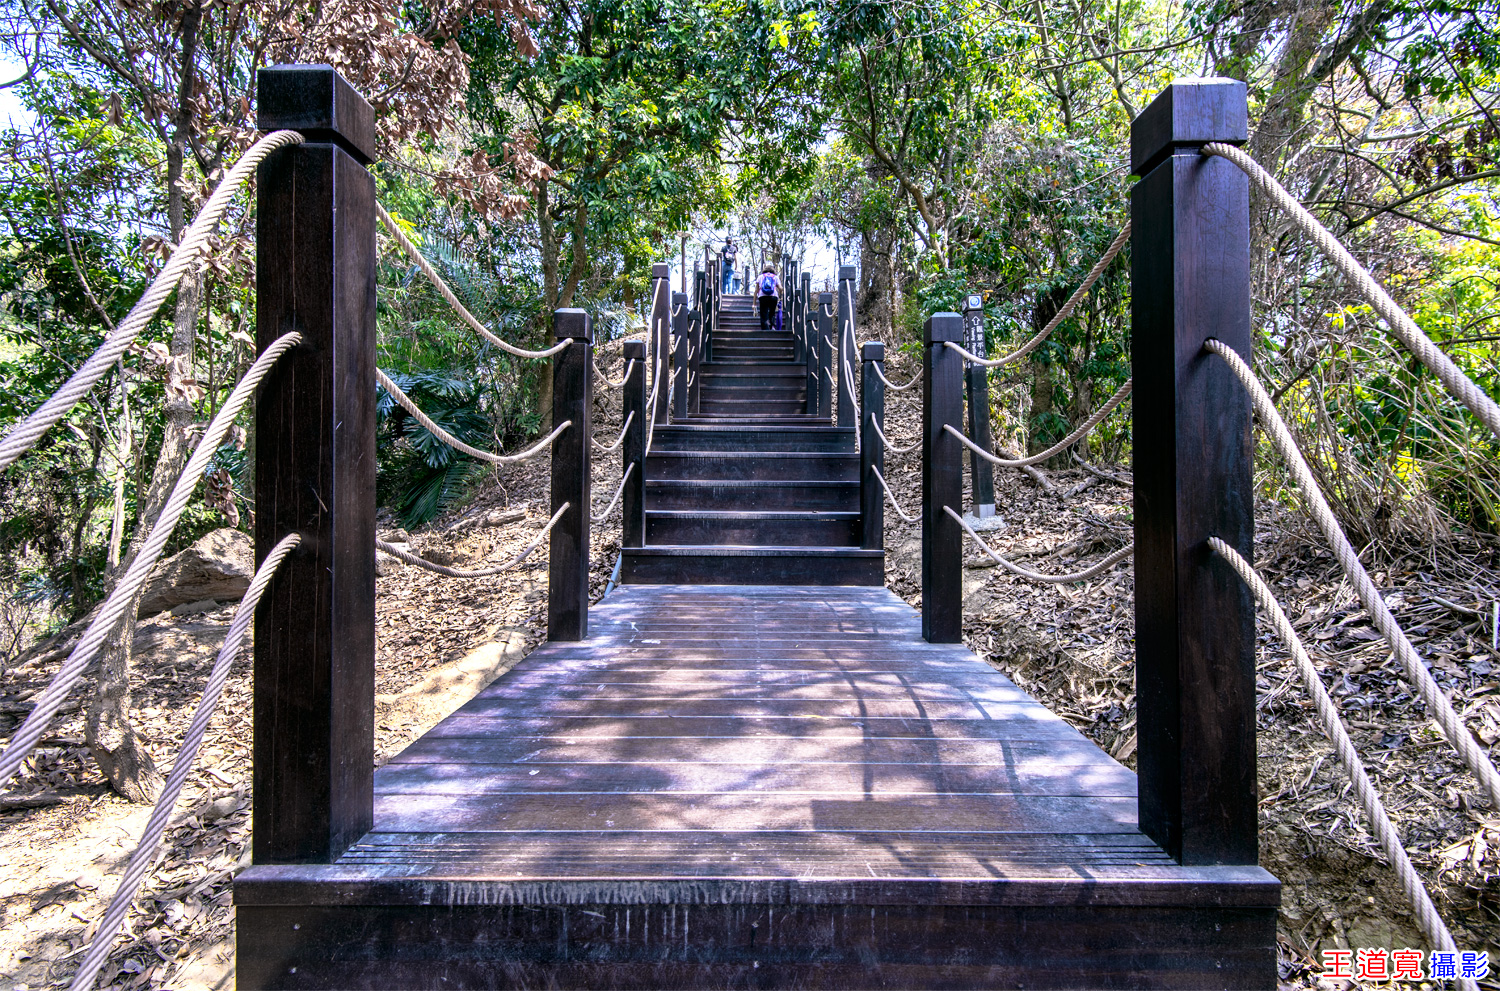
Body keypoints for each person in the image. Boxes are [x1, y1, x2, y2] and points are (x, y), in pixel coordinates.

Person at [755, 264, 781, 332]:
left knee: (764, 313)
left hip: (762, 296)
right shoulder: (775, 277)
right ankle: (772, 326)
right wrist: (782, 294)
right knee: (772, 312)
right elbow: (780, 288)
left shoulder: (760, 276)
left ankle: (765, 330)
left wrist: (754, 303)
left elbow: (756, 290)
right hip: (773, 296)